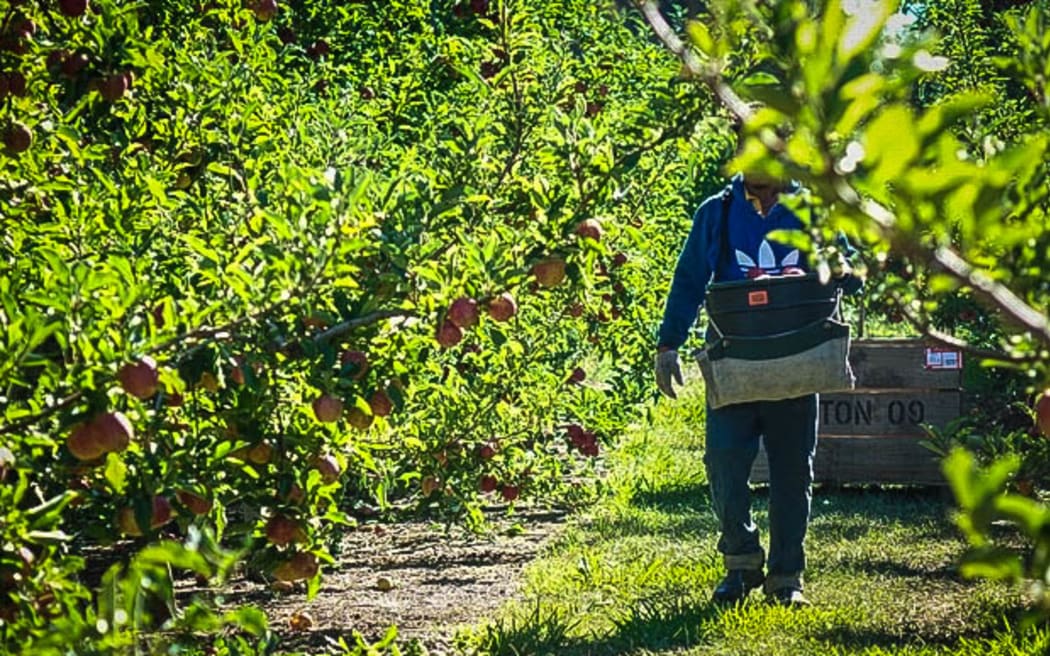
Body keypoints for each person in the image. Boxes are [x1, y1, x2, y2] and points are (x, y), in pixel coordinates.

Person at [654, 167, 861, 608]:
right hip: (736, 364)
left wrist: (845, 268)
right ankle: (741, 563)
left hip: (797, 361)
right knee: (723, 463)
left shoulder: (814, 213)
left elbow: (855, 273)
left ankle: (786, 577)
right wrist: (668, 344)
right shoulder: (718, 212)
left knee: (792, 472)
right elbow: (690, 279)